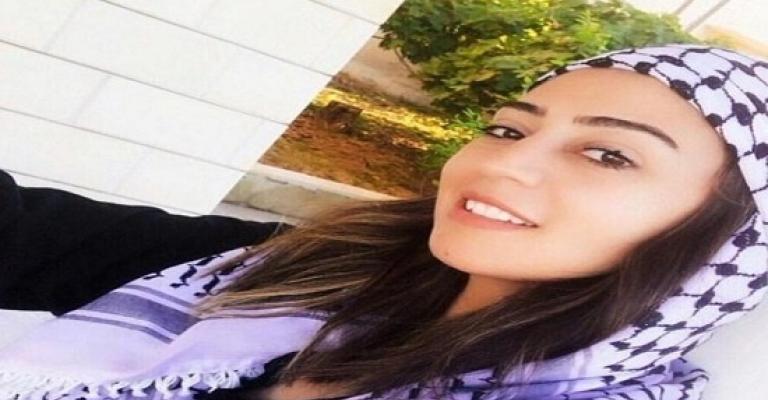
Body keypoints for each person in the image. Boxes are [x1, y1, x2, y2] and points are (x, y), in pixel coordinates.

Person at [0, 43, 766, 400]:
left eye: (607, 155)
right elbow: (27, 233)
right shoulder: (299, 272)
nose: (504, 164)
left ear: (732, 240)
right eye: (508, 129)